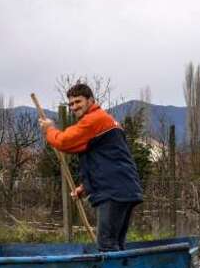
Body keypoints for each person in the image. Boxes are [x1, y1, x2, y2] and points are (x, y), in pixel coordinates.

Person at [39, 83, 143, 251]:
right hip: (124, 188)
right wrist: (85, 187)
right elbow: (107, 162)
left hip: (113, 191)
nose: (74, 107)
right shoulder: (106, 121)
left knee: (107, 245)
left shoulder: (94, 120)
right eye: (71, 104)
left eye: (78, 102)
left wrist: (49, 130)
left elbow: (64, 142)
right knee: (116, 245)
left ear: (91, 100)